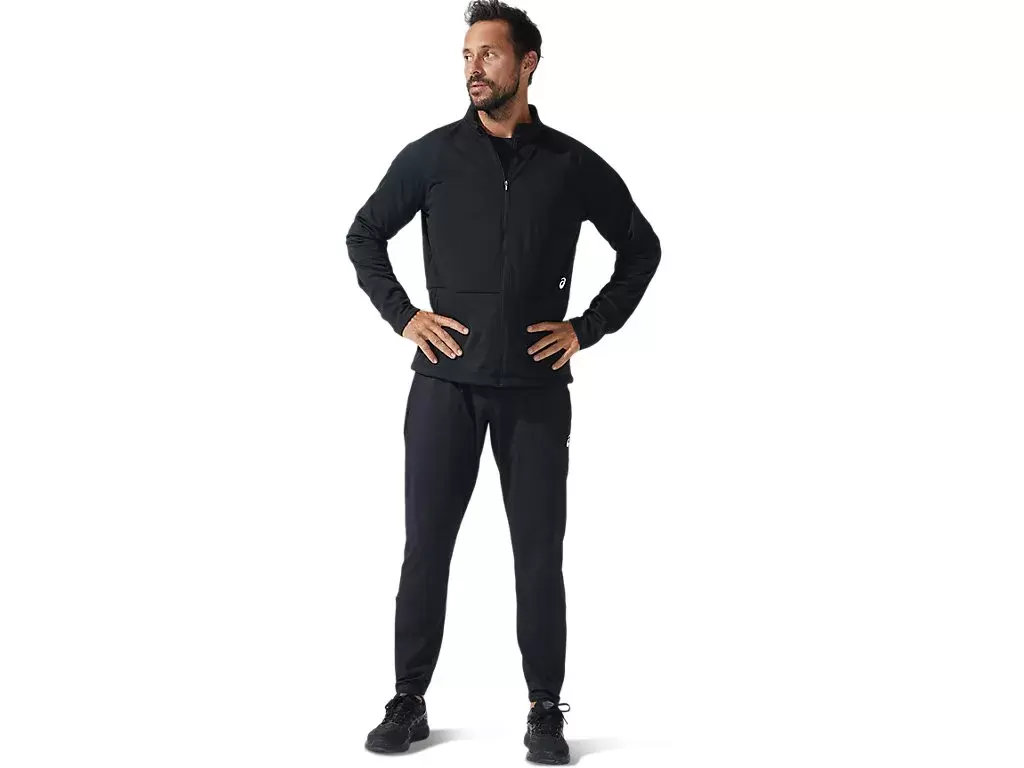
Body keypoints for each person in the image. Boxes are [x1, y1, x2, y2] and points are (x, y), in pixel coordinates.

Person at [345, 1, 660, 763]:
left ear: (527, 63)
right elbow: (364, 234)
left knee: (538, 555)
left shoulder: (570, 165)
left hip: (536, 392)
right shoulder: (431, 156)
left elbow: (641, 249)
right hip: (443, 389)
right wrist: (404, 316)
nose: (473, 68)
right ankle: (409, 699)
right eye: (466, 55)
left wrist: (587, 327)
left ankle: (545, 709)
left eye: (488, 54)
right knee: (426, 549)